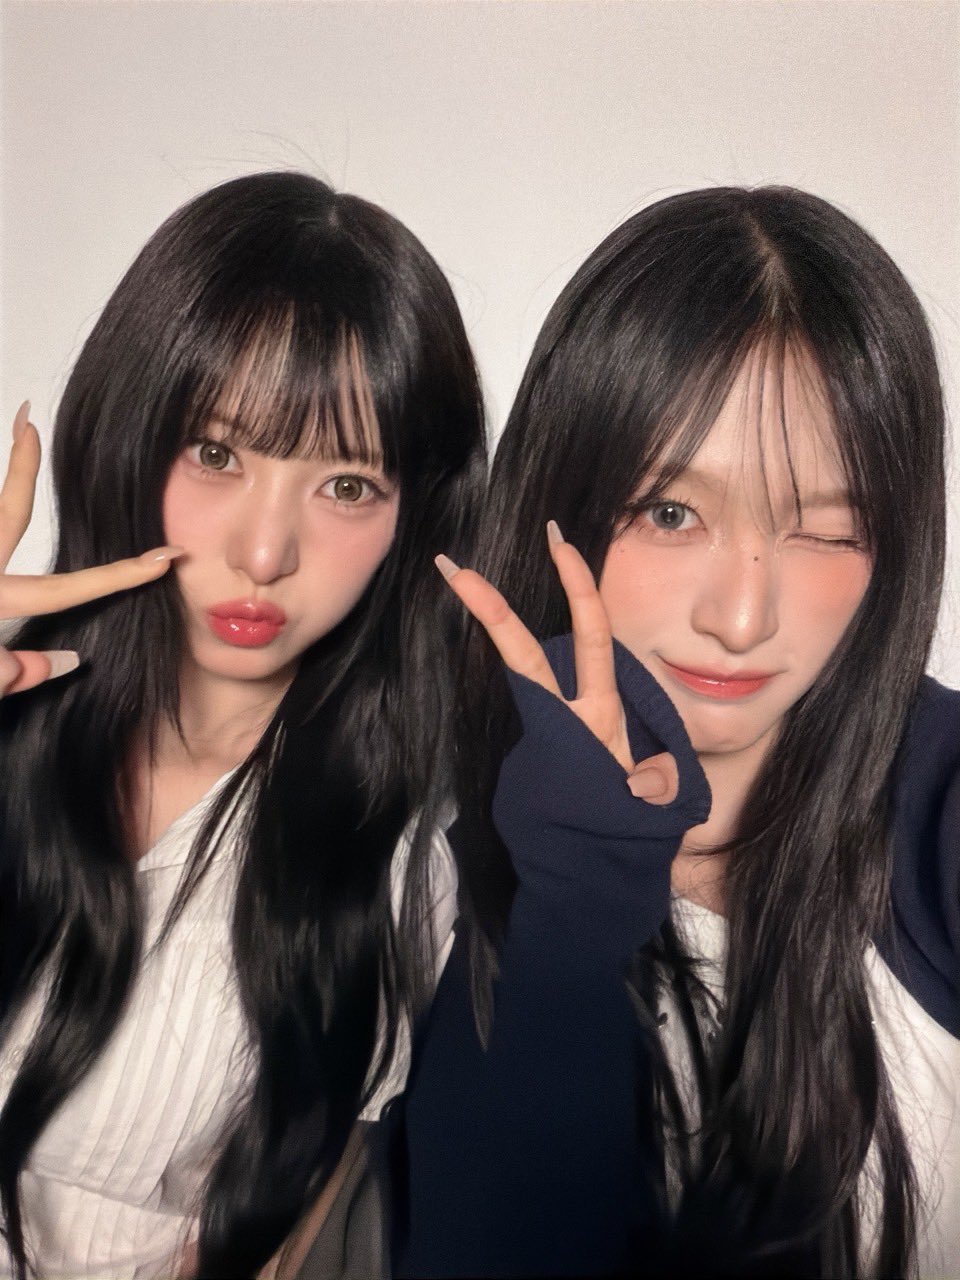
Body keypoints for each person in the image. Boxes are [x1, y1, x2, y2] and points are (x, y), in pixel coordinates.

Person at [393, 186, 959, 1278]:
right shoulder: (437, 862)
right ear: (563, 501)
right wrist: (575, 906)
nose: (741, 618)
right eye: (671, 513)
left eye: (825, 530)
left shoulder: (939, 802)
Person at [0, 170, 485, 1279]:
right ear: (131, 436)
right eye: (218, 454)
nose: (266, 553)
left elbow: (293, 1227)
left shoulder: (400, 856)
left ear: (413, 517)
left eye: (348, 485)